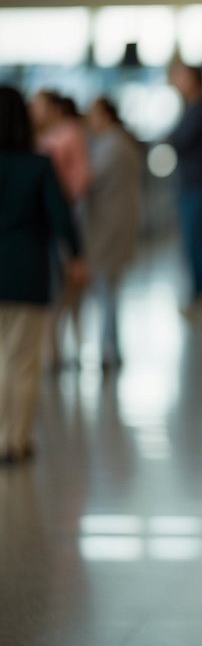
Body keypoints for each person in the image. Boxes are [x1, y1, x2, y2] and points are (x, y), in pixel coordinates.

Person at [0, 86, 86, 464]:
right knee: (22, 360)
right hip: (26, 270)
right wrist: (76, 255)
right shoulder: (38, 164)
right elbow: (60, 216)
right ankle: (13, 438)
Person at [30, 89, 91, 365]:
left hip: (61, 221)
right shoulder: (43, 137)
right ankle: (52, 348)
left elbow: (81, 176)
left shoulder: (69, 133)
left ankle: (67, 346)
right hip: (45, 224)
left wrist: (60, 201)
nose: (33, 111)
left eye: (39, 106)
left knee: (66, 287)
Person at [84, 96, 144, 367]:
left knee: (106, 288)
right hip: (117, 222)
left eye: (93, 114)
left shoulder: (112, 145)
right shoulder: (119, 142)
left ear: (106, 115)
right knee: (109, 289)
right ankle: (111, 347)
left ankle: (108, 350)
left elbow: (90, 180)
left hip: (110, 224)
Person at [166, 59, 202, 317]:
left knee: (198, 244)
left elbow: (177, 140)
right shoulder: (194, 108)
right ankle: (201, 295)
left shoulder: (198, 110)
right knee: (199, 243)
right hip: (198, 185)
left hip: (200, 187)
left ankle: (201, 297)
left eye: (181, 76)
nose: (176, 81)